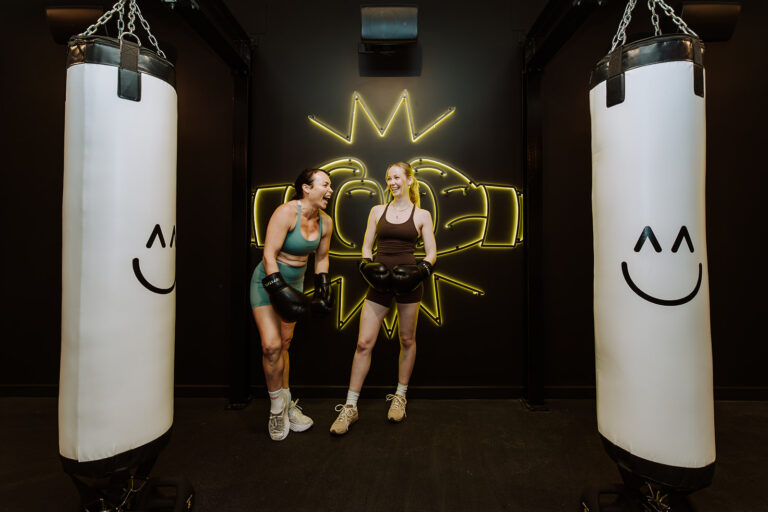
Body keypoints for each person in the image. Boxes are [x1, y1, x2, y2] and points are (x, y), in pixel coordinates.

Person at [330, 161, 436, 435]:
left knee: (407, 340)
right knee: (363, 343)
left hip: (408, 282)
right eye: (389, 178)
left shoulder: (422, 214)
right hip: (379, 282)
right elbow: (366, 248)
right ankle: (350, 406)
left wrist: (420, 271)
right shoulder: (377, 211)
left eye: (397, 177)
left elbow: (431, 254)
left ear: (409, 180)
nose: (392, 182)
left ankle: (400, 396)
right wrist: (367, 267)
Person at [250, 168, 334, 441]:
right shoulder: (286, 213)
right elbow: (269, 254)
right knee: (271, 346)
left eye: (330, 186)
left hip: (295, 284)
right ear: (306, 188)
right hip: (267, 282)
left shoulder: (326, 222)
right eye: (325, 185)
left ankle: (287, 404)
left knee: (285, 344)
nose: (330, 190)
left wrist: (323, 286)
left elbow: (321, 258)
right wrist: (278, 288)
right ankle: (276, 410)